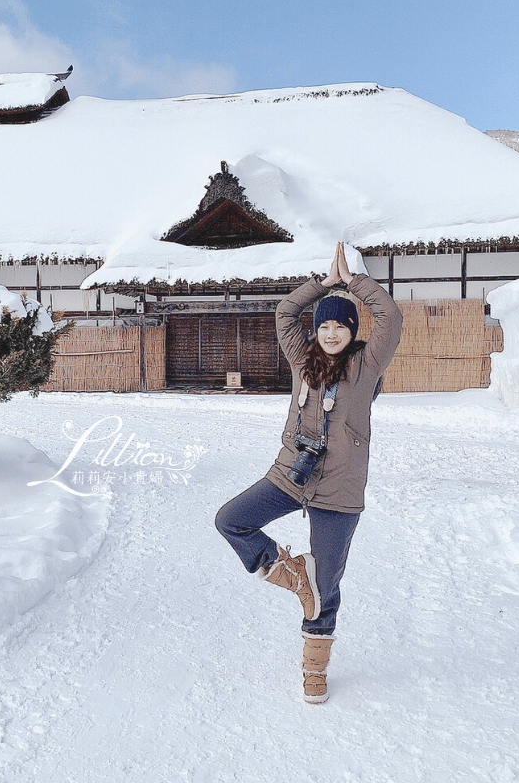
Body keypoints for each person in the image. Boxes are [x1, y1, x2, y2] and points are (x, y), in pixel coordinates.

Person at [214, 241, 403, 703]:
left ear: (352, 330)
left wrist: (353, 282)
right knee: (230, 520)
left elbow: (390, 317)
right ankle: (289, 574)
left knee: (326, 588)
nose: (332, 332)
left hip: (338, 490)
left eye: (341, 325)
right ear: (316, 330)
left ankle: (314, 671)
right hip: (290, 476)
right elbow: (284, 313)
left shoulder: (365, 365)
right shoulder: (302, 362)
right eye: (325, 325)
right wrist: (323, 283)